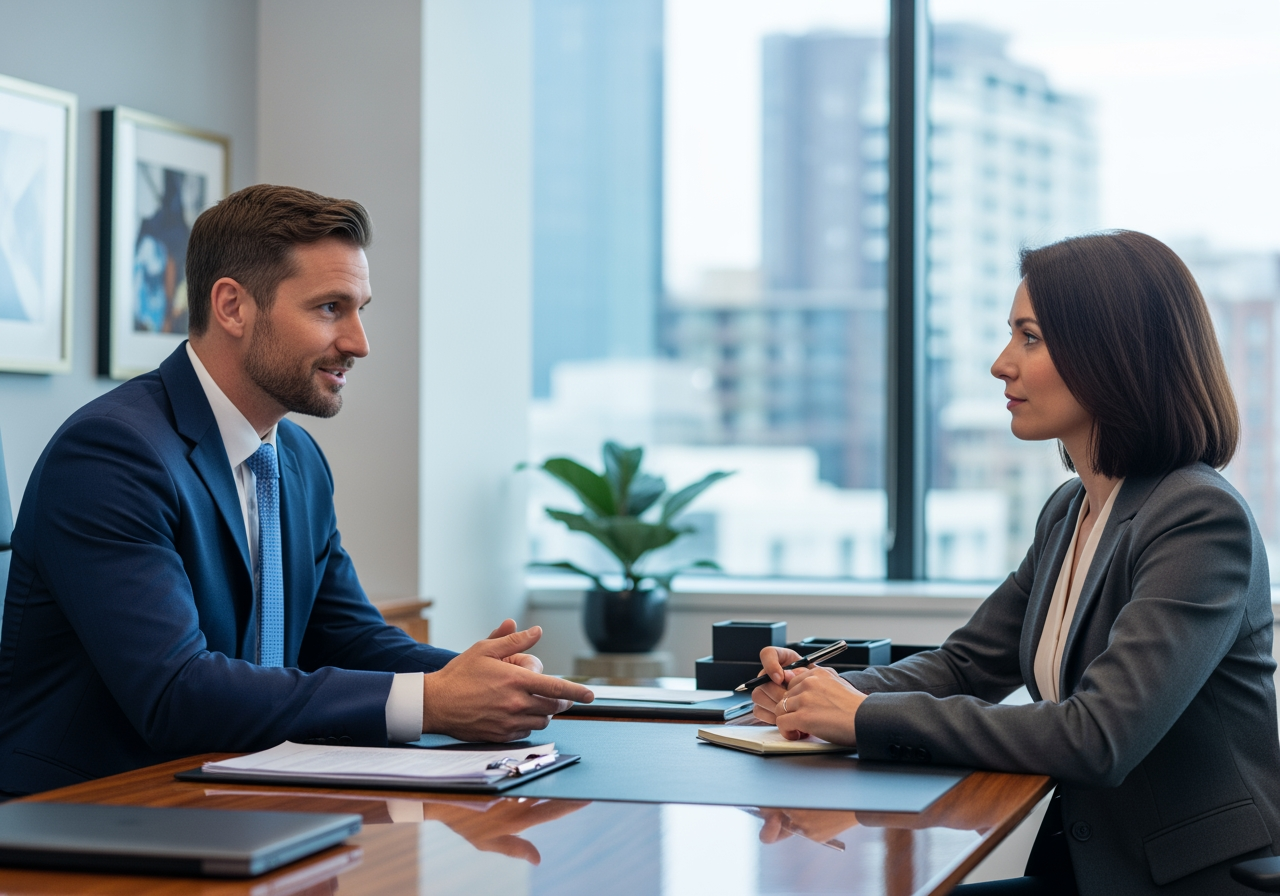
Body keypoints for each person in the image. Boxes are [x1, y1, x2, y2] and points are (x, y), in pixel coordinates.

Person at [0, 184, 593, 796]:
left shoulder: (294, 456)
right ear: (232, 306)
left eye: (360, 308)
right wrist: (434, 701)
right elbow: (176, 692)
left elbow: (347, 636)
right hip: (95, 813)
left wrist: (481, 678)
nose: (359, 342)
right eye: (330, 308)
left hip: (231, 796)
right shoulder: (111, 453)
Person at [752, 231, 1280, 895]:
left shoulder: (1199, 519)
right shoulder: (1071, 511)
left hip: (1187, 882)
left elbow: (1098, 736)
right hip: (1094, 872)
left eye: (1030, 338)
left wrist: (860, 719)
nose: (1003, 364)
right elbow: (967, 665)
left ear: (1111, 354)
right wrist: (827, 692)